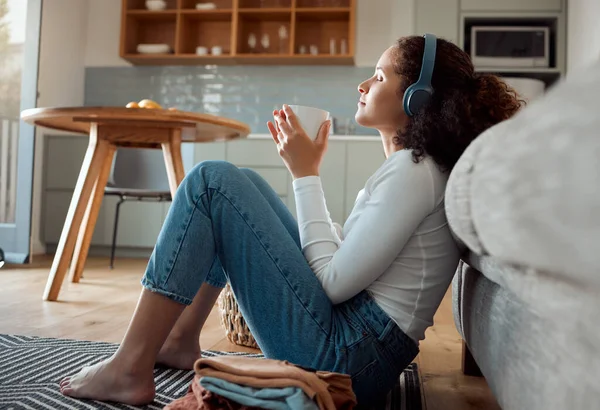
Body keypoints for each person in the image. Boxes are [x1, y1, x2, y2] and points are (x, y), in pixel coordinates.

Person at [59, 34, 521, 406]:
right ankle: (180, 340)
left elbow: (334, 283)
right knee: (243, 185)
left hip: (348, 357)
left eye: (379, 76)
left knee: (211, 183)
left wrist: (306, 174)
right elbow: (349, 265)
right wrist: (304, 176)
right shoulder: (418, 169)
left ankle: (130, 367)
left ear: (419, 100)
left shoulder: (415, 172)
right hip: (358, 346)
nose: (363, 85)